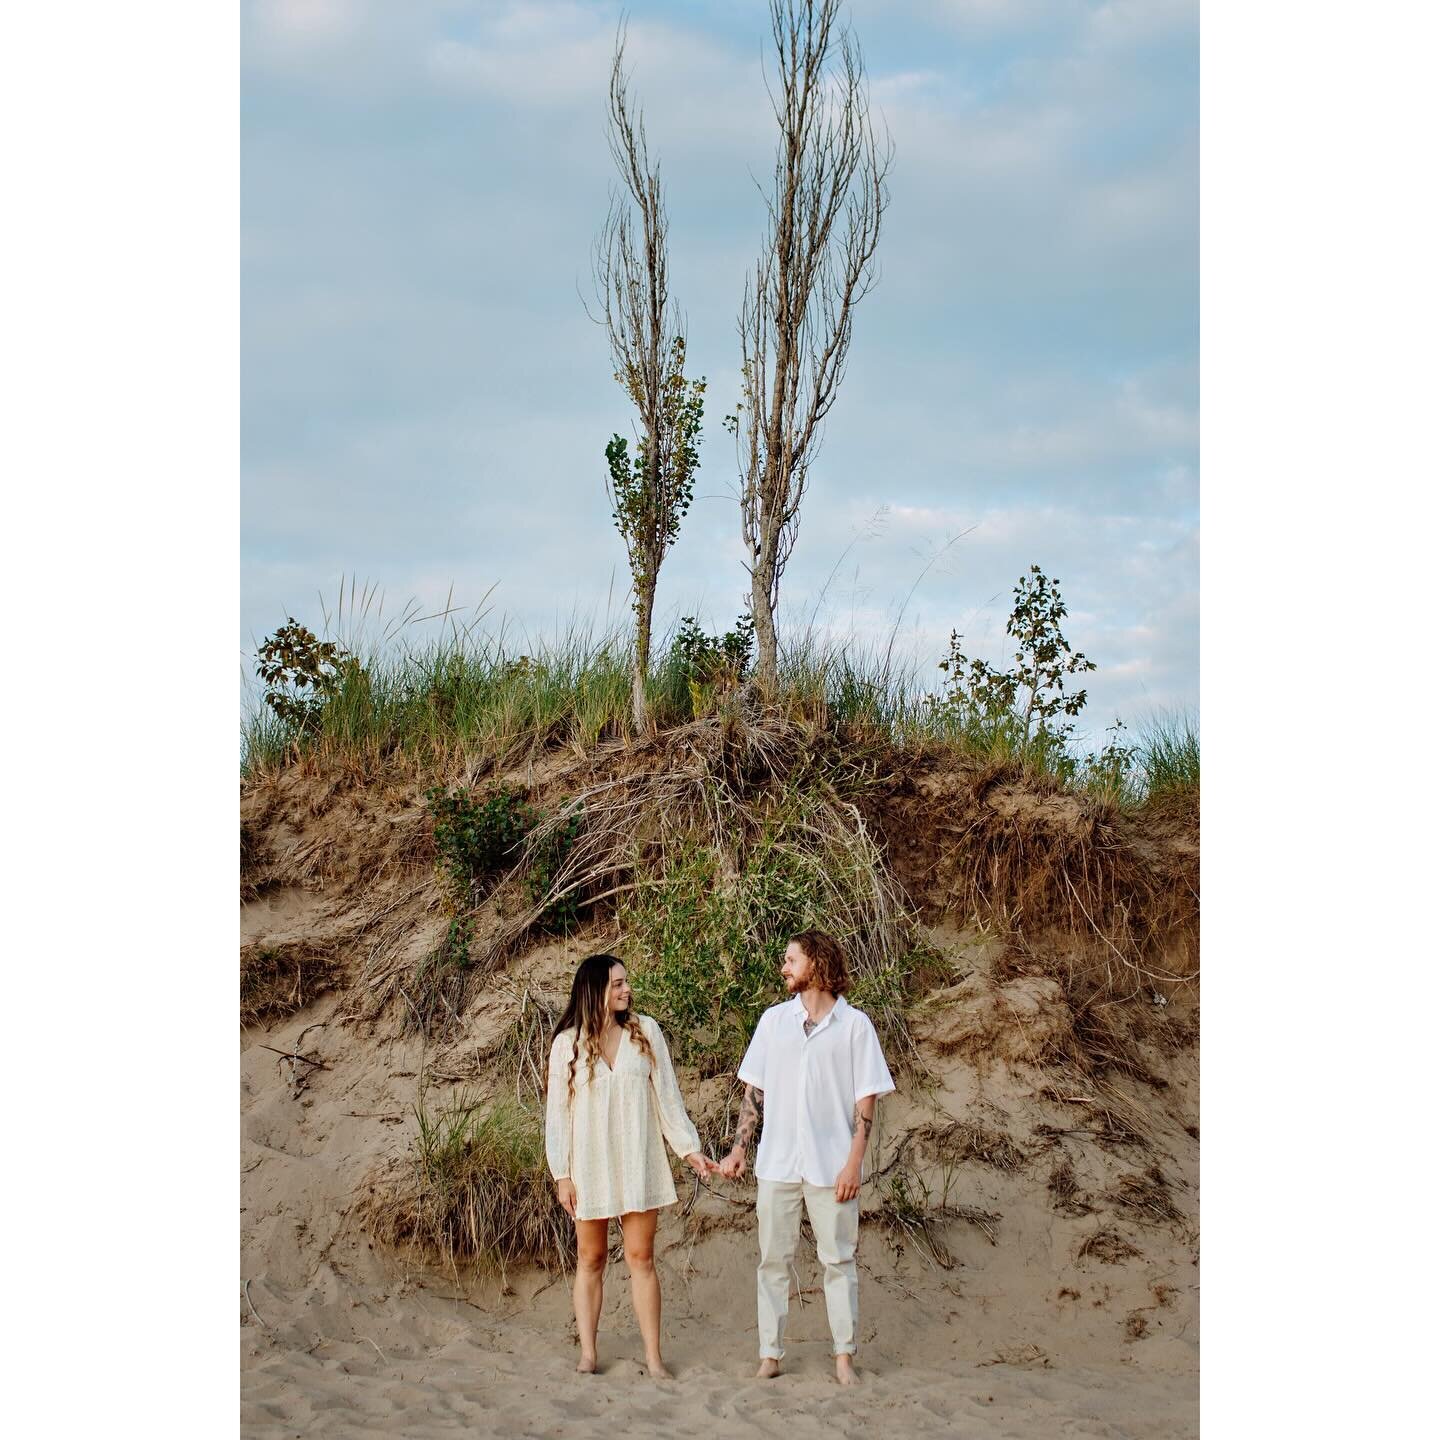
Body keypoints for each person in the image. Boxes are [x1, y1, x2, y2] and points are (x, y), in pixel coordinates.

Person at [718, 929, 895, 1385]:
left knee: (838, 1261)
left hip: (831, 1165)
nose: (784, 967)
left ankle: (843, 1358)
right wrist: (740, 1147)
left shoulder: (855, 1027)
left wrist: (854, 1163)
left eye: (791, 959)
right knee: (773, 1261)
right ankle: (770, 1355)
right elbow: (754, 1090)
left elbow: (865, 1103)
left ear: (815, 964)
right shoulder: (773, 1021)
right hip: (777, 1162)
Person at [545, 953, 714, 1378]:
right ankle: (588, 1354)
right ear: (595, 989)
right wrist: (561, 1173)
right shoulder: (567, 1043)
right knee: (591, 1257)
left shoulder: (646, 1032)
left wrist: (689, 1149)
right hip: (589, 1163)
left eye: (626, 982)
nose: (626, 990)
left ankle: (654, 1358)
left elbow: (667, 1099)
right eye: (617, 984)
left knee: (641, 1257)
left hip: (638, 1158)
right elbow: (558, 1114)